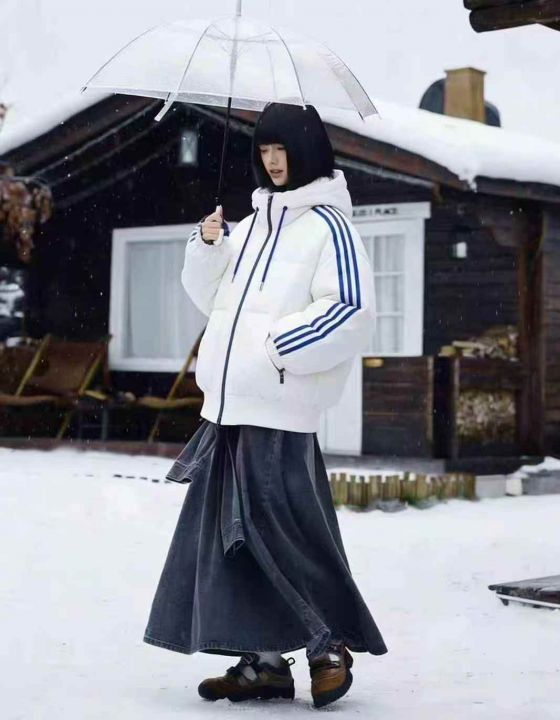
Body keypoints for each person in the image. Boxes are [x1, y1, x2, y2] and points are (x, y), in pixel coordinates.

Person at [142, 102, 388, 709]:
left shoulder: (329, 227)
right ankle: (266, 663)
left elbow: (350, 309)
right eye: (264, 151)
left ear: (308, 152)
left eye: (283, 150)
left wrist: (278, 348)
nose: (273, 161)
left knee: (283, 533)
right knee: (231, 540)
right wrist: (207, 247)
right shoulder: (250, 227)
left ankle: (329, 646)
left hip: (279, 411)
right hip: (227, 412)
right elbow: (212, 300)